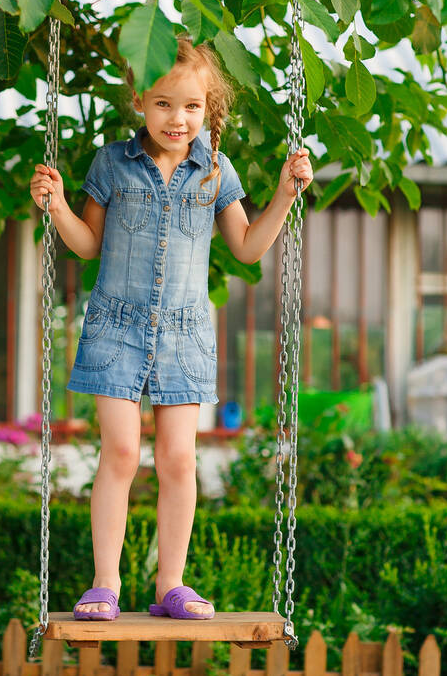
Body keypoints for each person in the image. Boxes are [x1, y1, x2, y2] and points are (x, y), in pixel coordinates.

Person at [30, 34, 313, 621]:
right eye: (163, 104)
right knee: (122, 452)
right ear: (139, 100)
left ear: (208, 108)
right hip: (116, 327)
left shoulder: (216, 169)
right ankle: (104, 583)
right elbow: (86, 246)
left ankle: (171, 585)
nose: (176, 118)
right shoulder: (112, 163)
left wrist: (285, 196)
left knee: (180, 459)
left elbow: (246, 249)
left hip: (185, 335)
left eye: (190, 107)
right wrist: (56, 205)